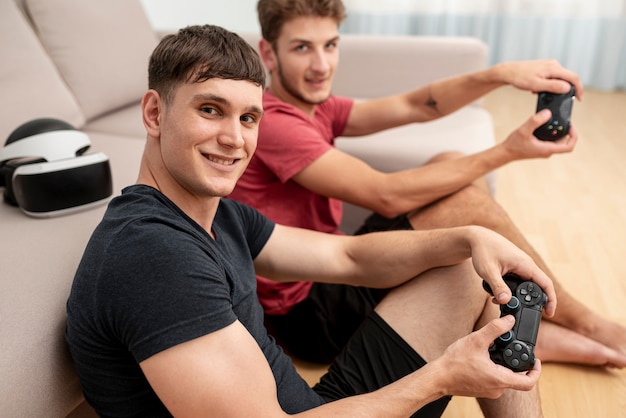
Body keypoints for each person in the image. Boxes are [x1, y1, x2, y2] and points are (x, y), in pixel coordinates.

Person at [64, 24, 559, 417]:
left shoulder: (217, 215)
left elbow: (347, 254)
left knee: (463, 269)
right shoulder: (154, 256)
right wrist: (444, 376)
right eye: (210, 110)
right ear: (154, 113)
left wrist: (470, 237)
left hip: (322, 406)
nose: (235, 139)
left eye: (248, 118)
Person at [228, 0, 626, 368]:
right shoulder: (275, 121)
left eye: (330, 45)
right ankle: (585, 324)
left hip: (335, 267)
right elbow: (386, 195)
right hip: (311, 314)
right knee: (463, 204)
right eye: (302, 48)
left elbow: (415, 105)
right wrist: (508, 150)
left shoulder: (317, 106)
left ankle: (506, 324)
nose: (321, 65)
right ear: (269, 53)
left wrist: (501, 74)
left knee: (449, 164)